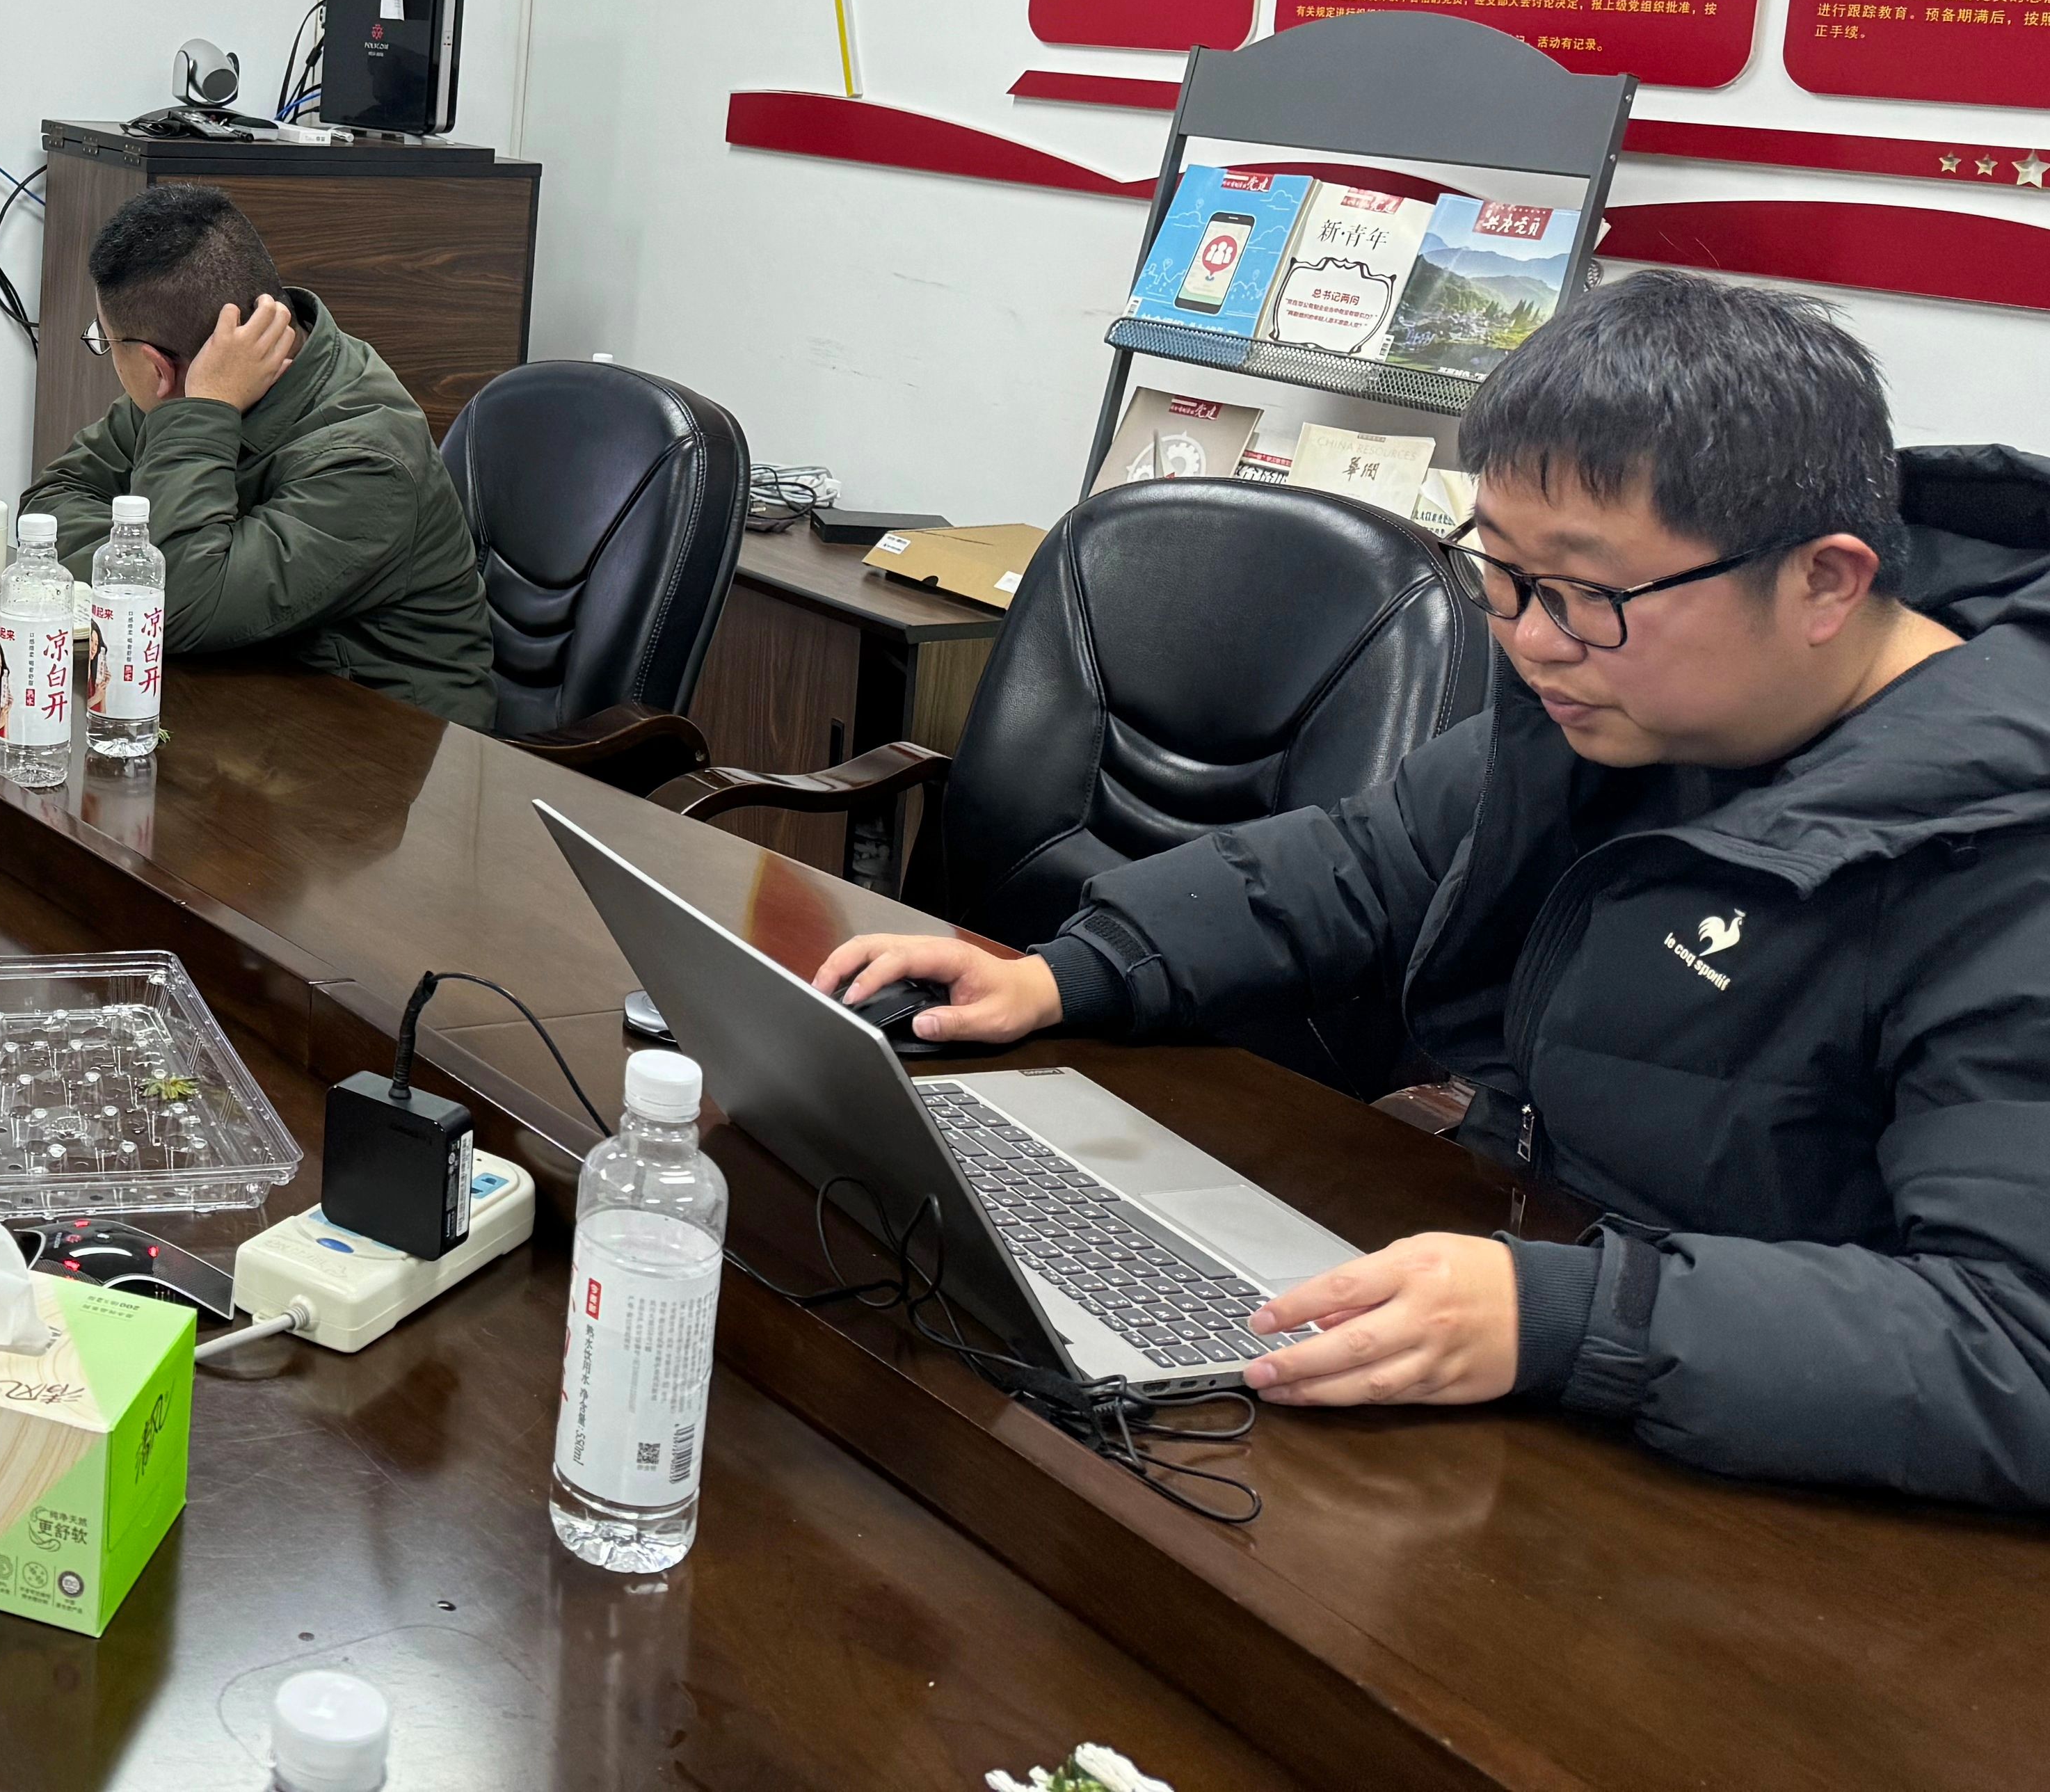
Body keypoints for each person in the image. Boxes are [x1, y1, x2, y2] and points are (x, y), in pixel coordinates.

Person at [817, 273, 2050, 1508]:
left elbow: (2016, 1349)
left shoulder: (2001, 853)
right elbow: (1369, 857)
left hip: (1780, 1483)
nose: (1530, 639)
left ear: (1825, 581)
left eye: (1584, 594)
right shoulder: (1617, 697)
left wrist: (1572, 1313)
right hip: (1544, 1306)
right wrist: (1070, 969)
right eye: (1499, 575)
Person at [25, 184, 495, 728]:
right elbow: (48, 507)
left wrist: (207, 409)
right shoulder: (178, 399)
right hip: (254, 706)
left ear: (156, 367)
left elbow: (169, 608)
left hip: (385, 745)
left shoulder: (368, 461)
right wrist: (200, 412)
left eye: (104, 343)